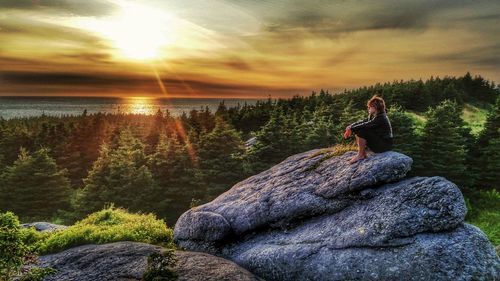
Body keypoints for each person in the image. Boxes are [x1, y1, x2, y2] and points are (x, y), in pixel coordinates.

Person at [343, 95, 393, 164]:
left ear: (375, 107)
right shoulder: (374, 115)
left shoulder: (381, 118)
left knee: (361, 131)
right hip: (380, 141)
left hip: (384, 145)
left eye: (369, 107)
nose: (368, 108)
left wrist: (351, 129)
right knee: (360, 129)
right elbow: (363, 121)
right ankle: (362, 154)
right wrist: (350, 126)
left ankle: (360, 155)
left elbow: (365, 125)